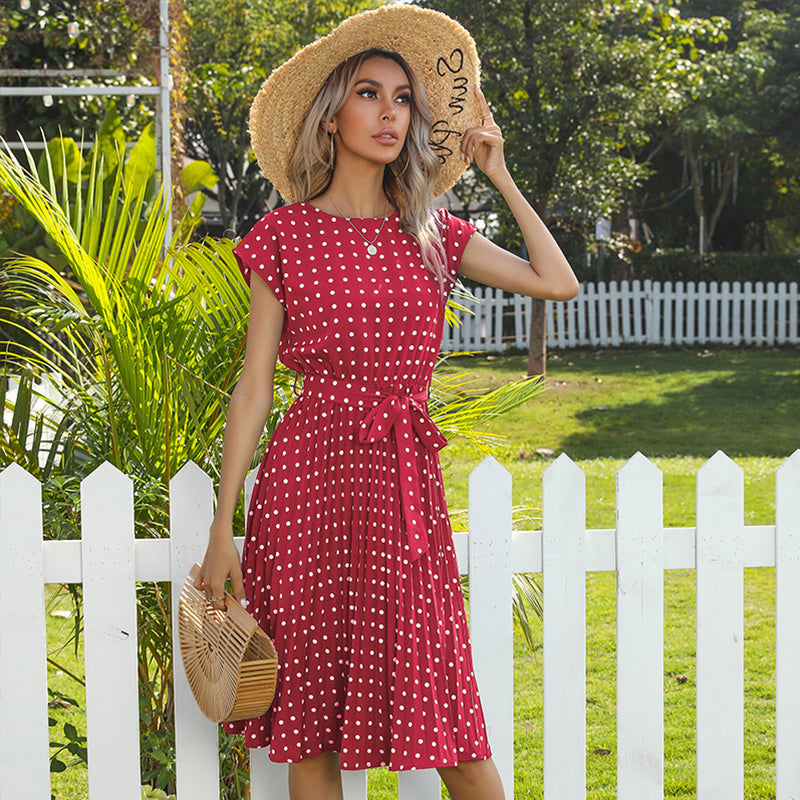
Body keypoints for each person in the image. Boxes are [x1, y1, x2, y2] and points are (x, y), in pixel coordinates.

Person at [195, 6, 578, 800]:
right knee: (311, 732)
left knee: (450, 724)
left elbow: (557, 281)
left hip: (402, 490)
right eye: (369, 94)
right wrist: (222, 524)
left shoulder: (434, 233)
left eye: (403, 99)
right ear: (331, 115)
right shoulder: (285, 235)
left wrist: (500, 174)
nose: (389, 113)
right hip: (307, 484)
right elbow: (254, 387)